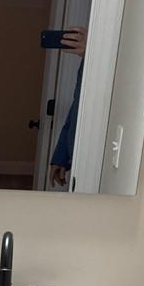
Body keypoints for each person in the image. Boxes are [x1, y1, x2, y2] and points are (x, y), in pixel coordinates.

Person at [49, 26, 88, 188]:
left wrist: (93, 53)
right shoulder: (87, 64)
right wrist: (62, 155)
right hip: (77, 161)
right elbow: (77, 106)